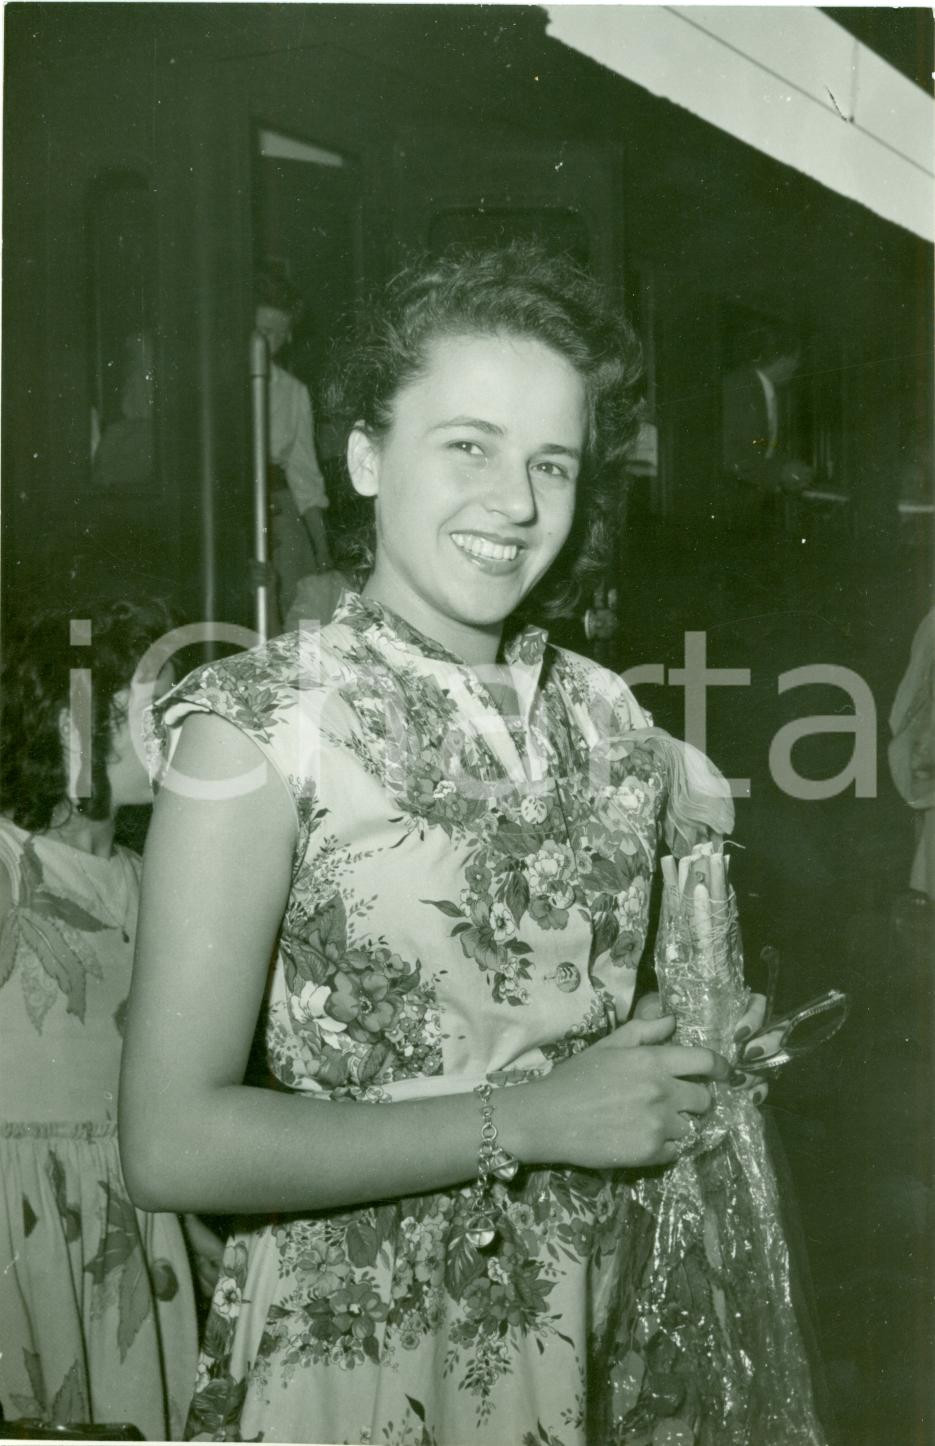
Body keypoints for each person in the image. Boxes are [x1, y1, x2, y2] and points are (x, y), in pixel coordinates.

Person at [121, 245, 783, 1445]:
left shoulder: (608, 715)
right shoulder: (259, 728)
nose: (517, 503)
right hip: (371, 1349)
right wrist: (524, 1123)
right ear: (366, 457)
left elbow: (574, 1033)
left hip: (601, 1321)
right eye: (467, 446)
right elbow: (170, 1144)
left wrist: (681, 1055)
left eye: (551, 464)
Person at [0, 599, 211, 1438]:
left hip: (132, 1213)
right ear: (71, 723)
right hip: (23, 1210)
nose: (184, 731)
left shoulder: (152, 876)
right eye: (155, 710)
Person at [254, 266, 334, 627]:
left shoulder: (293, 392)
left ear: (286, 339)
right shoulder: (214, 386)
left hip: (275, 509)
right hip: (224, 509)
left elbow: (304, 477)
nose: (261, 342)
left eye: (273, 334)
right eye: (257, 330)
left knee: (298, 613)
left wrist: (322, 553)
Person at [721, 322, 814, 534]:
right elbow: (731, 453)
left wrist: (786, 466)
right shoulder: (740, 387)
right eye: (796, 360)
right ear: (783, 359)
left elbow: (759, 447)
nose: (797, 367)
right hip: (731, 507)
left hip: (752, 503)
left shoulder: (764, 389)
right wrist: (781, 471)